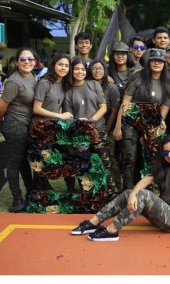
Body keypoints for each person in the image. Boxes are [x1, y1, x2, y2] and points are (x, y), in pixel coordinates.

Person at [71, 135, 170, 241]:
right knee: (131, 192)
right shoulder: (165, 166)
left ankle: (112, 230)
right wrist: (133, 194)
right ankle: (94, 222)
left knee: (143, 195)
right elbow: (145, 180)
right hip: (162, 214)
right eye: (165, 152)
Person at [113, 48, 170, 189]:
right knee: (129, 157)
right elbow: (125, 104)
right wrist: (117, 126)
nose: (157, 63)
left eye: (160, 61)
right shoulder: (138, 77)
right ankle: (127, 190)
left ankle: (148, 190)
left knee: (151, 158)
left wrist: (158, 126)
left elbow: (165, 108)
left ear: (164, 64)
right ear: (149, 62)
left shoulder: (168, 83)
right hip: (130, 123)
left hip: (152, 124)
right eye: (154, 61)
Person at [64, 58, 118, 195]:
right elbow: (68, 115)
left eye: (82, 69)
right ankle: (89, 196)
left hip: (98, 131)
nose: (80, 72)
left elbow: (103, 107)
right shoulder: (68, 91)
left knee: (105, 164)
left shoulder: (94, 84)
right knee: (84, 166)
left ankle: (112, 194)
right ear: (71, 71)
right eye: (76, 69)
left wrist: (91, 121)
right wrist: (78, 122)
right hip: (80, 136)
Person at [0, 47, 37, 212]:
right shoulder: (14, 81)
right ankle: (17, 199)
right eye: (23, 59)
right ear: (16, 62)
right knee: (15, 162)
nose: (27, 62)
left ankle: (31, 193)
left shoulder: (32, 77)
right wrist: (2, 123)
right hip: (15, 125)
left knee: (24, 162)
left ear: (35, 61)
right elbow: (0, 106)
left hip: (26, 125)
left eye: (30, 59)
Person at [32, 53, 74, 191]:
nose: (63, 68)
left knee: (69, 153)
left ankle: (71, 188)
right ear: (53, 65)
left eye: (66, 66)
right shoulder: (45, 83)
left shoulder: (63, 83)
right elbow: (36, 108)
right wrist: (59, 116)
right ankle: (40, 193)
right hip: (40, 128)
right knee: (41, 161)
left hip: (54, 127)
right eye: (60, 64)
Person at [89, 59, 123, 192]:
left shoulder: (111, 87)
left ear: (105, 71)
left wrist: (108, 130)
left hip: (108, 126)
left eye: (100, 68)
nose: (97, 71)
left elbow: (114, 112)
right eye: (94, 68)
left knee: (110, 158)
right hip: (92, 127)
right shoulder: (86, 85)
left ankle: (117, 188)